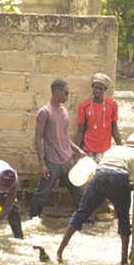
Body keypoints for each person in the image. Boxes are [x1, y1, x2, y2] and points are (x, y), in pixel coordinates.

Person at [56, 144, 134, 265]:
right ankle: (124, 261)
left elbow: (98, 167)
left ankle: (60, 252)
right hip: (119, 176)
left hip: (100, 175)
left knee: (81, 213)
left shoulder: (113, 149)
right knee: (123, 219)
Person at [29, 78, 84, 220]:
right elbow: (38, 138)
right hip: (52, 161)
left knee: (78, 191)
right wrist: (42, 164)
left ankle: (85, 220)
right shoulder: (44, 112)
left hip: (67, 160)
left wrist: (77, 149)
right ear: (57, 92)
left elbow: (64, 136)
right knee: (42, 194)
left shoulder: (64, 111)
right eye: (66, 93)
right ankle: (33, 221)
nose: (67, 96)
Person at [76, 72, 121, 157]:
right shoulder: (84, 106)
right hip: (88, 149)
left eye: (100, 89)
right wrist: (77, 150)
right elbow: (81, 130)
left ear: (105, 89)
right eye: (96, 88)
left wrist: (121, 148)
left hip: (106, 150)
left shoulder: (112, 105)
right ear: (92, 88)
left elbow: (114, 129)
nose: (97, 91)